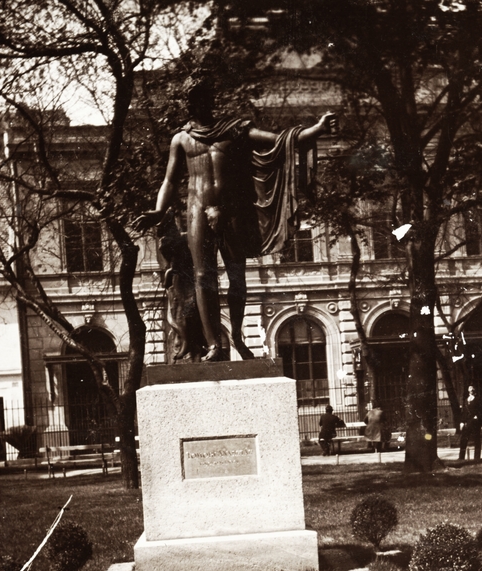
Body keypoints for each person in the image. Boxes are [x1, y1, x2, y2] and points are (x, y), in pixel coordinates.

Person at [134, 76, 335, 361]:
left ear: (210, 100)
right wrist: (158, 210)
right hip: (197, 211)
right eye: (192, 100)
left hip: (232, 212)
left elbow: (280, 141)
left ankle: (237, 337)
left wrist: (317, 129)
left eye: (202, 98)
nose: (197, 104)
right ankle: (215, 343)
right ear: (187, 104)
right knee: (204, 276)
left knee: (237, 278)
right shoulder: (181, 139)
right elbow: (169, 180)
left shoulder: (236, 130)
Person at [458, 387, 482, 461]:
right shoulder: (466, 400)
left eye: (472, 389)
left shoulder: (478, 399)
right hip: (467, 422)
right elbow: (464, 412)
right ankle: (461, 457)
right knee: (463, 439)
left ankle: (477, 458)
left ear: (474, 390)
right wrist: (462, 422)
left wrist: (477, 416)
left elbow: (481, 410)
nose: (471, 391)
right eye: (469, 389)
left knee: (477, 439)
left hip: (475, 422)